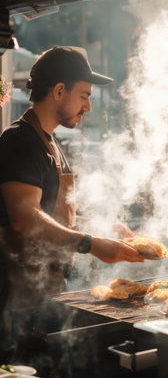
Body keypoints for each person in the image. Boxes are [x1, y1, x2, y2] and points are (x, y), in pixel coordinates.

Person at [0, 45, 146, 311]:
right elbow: (26, 217)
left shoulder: (50, 143)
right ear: (58, 91)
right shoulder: (20, 141)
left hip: (46, 290)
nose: (88, 107)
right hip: (16, 296)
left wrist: (99, 228)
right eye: (84, 96)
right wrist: (89, 243)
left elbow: (50, 213)